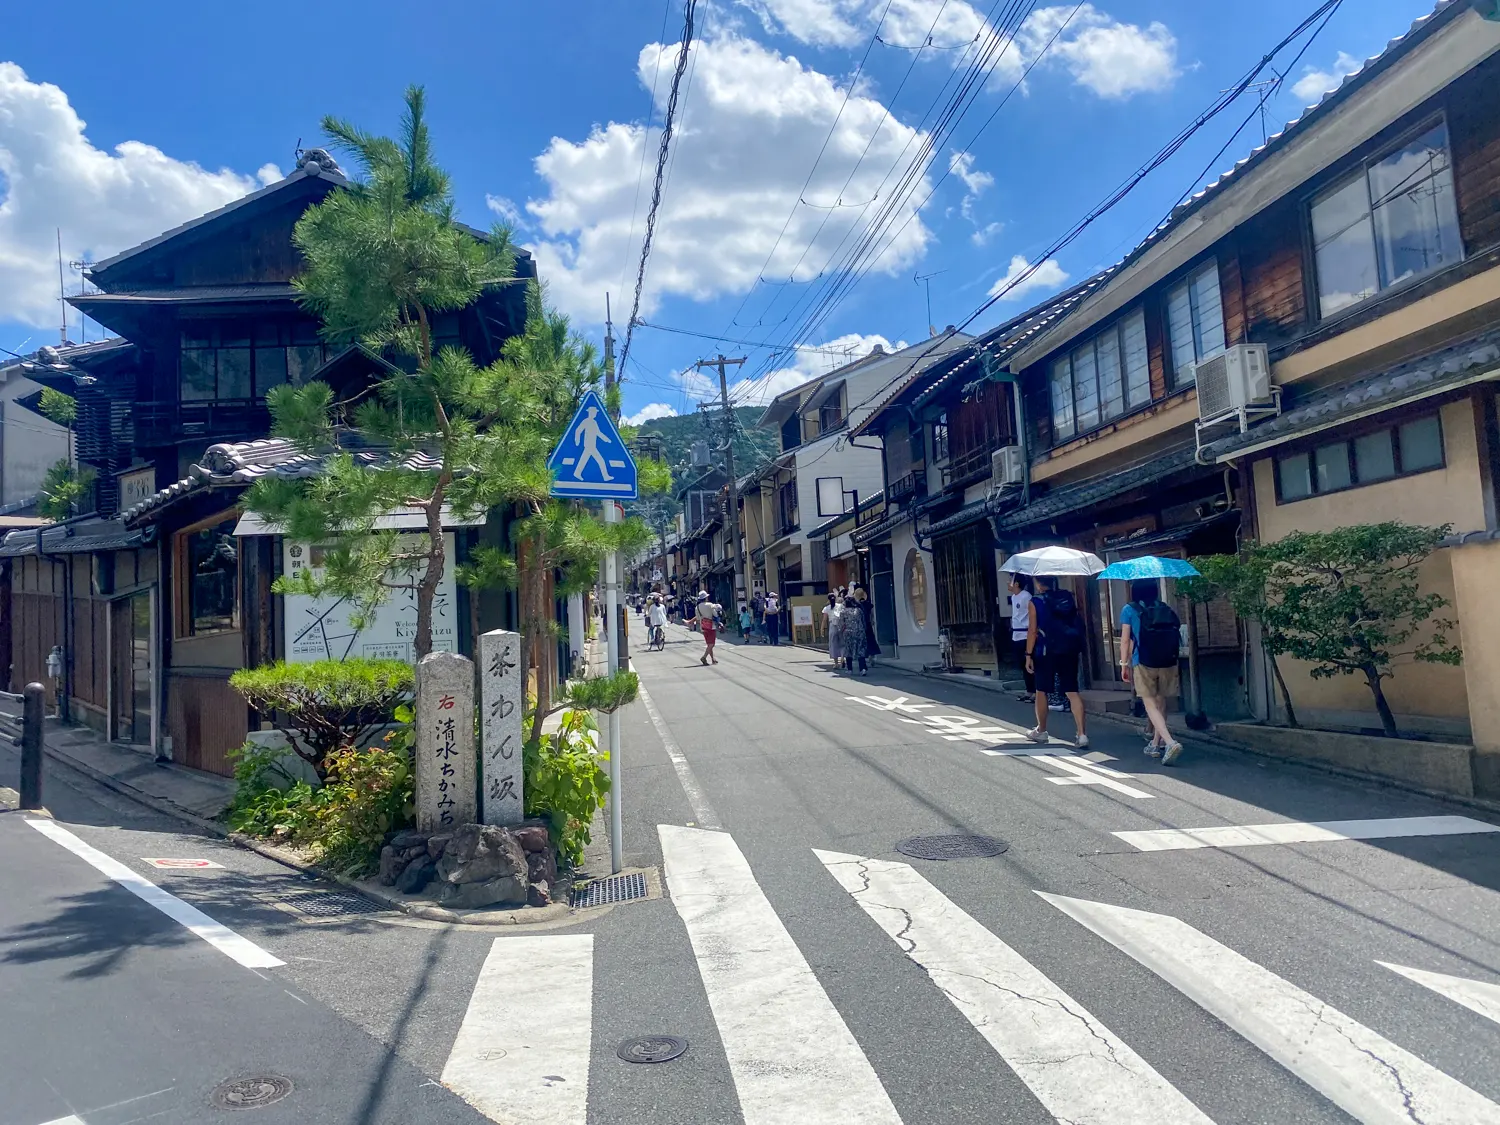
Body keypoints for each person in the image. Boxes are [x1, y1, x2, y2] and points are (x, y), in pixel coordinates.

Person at [1121, 578, 1185, 765]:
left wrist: (1123, 664)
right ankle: (1156, 744)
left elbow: (1125, 640)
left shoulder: (1129, 609)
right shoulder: (1165, 607)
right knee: (1161, 702)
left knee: (1150, 704)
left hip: (1143, 661)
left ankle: (1170, 742)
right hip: (1167, 661)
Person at [1024, 575, 1088, 748]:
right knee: (1072, 691)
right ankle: (1082, 734)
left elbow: (1032, 631)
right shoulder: (1067, 597)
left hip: (1046, 651)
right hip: (1069, 649)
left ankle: (1042, 730)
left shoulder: (1035, 602)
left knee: (1041, 690)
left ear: (1038, 584)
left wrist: (1028, 654)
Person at [1007, 574, 1035, 702]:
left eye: (1011, 581)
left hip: (1025, 633)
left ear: (1017, 584)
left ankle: (1035, 691)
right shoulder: (1013, 597)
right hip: (1016, 634)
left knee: (1030, 664)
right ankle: (1028, 691)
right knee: (1022, 665)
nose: (1008, 583)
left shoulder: (1026, 596)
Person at [839, 593, 869, 675]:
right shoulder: (859, 610)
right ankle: (862, 669)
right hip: (860, 631)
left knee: (848, 650)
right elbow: (864, 621)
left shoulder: (843, 612)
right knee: (861, 650)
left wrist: (840, 632)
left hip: (848, 632)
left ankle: (849, 669)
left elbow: (841, 624)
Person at [854, 585, 881, 668]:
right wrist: (872, 621)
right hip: (868, 624)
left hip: (860, 626)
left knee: (861, 642)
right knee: (870, 640)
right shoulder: (869, 604)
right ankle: (871, 656)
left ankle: (862, 656)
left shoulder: (856, 605)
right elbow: (872, 615)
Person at [696, 593, 722, 665]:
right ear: (706, 598)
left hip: (703, 626)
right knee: (712, 644)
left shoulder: (697, 607)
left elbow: (698, 619)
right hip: (711, 626)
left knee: (709, 644)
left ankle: (713, 659)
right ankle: (704, 657)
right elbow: (715, 614)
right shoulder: (710, 605)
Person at [823, 594, 843, 666]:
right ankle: (842, 659)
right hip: (841, 625)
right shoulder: (840, 606)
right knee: (842, 644)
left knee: (833, 644)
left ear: (828, 600)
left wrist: (822, 629)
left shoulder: (827, 608)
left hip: (832, 625)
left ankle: (836, 663)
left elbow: (824, 620)